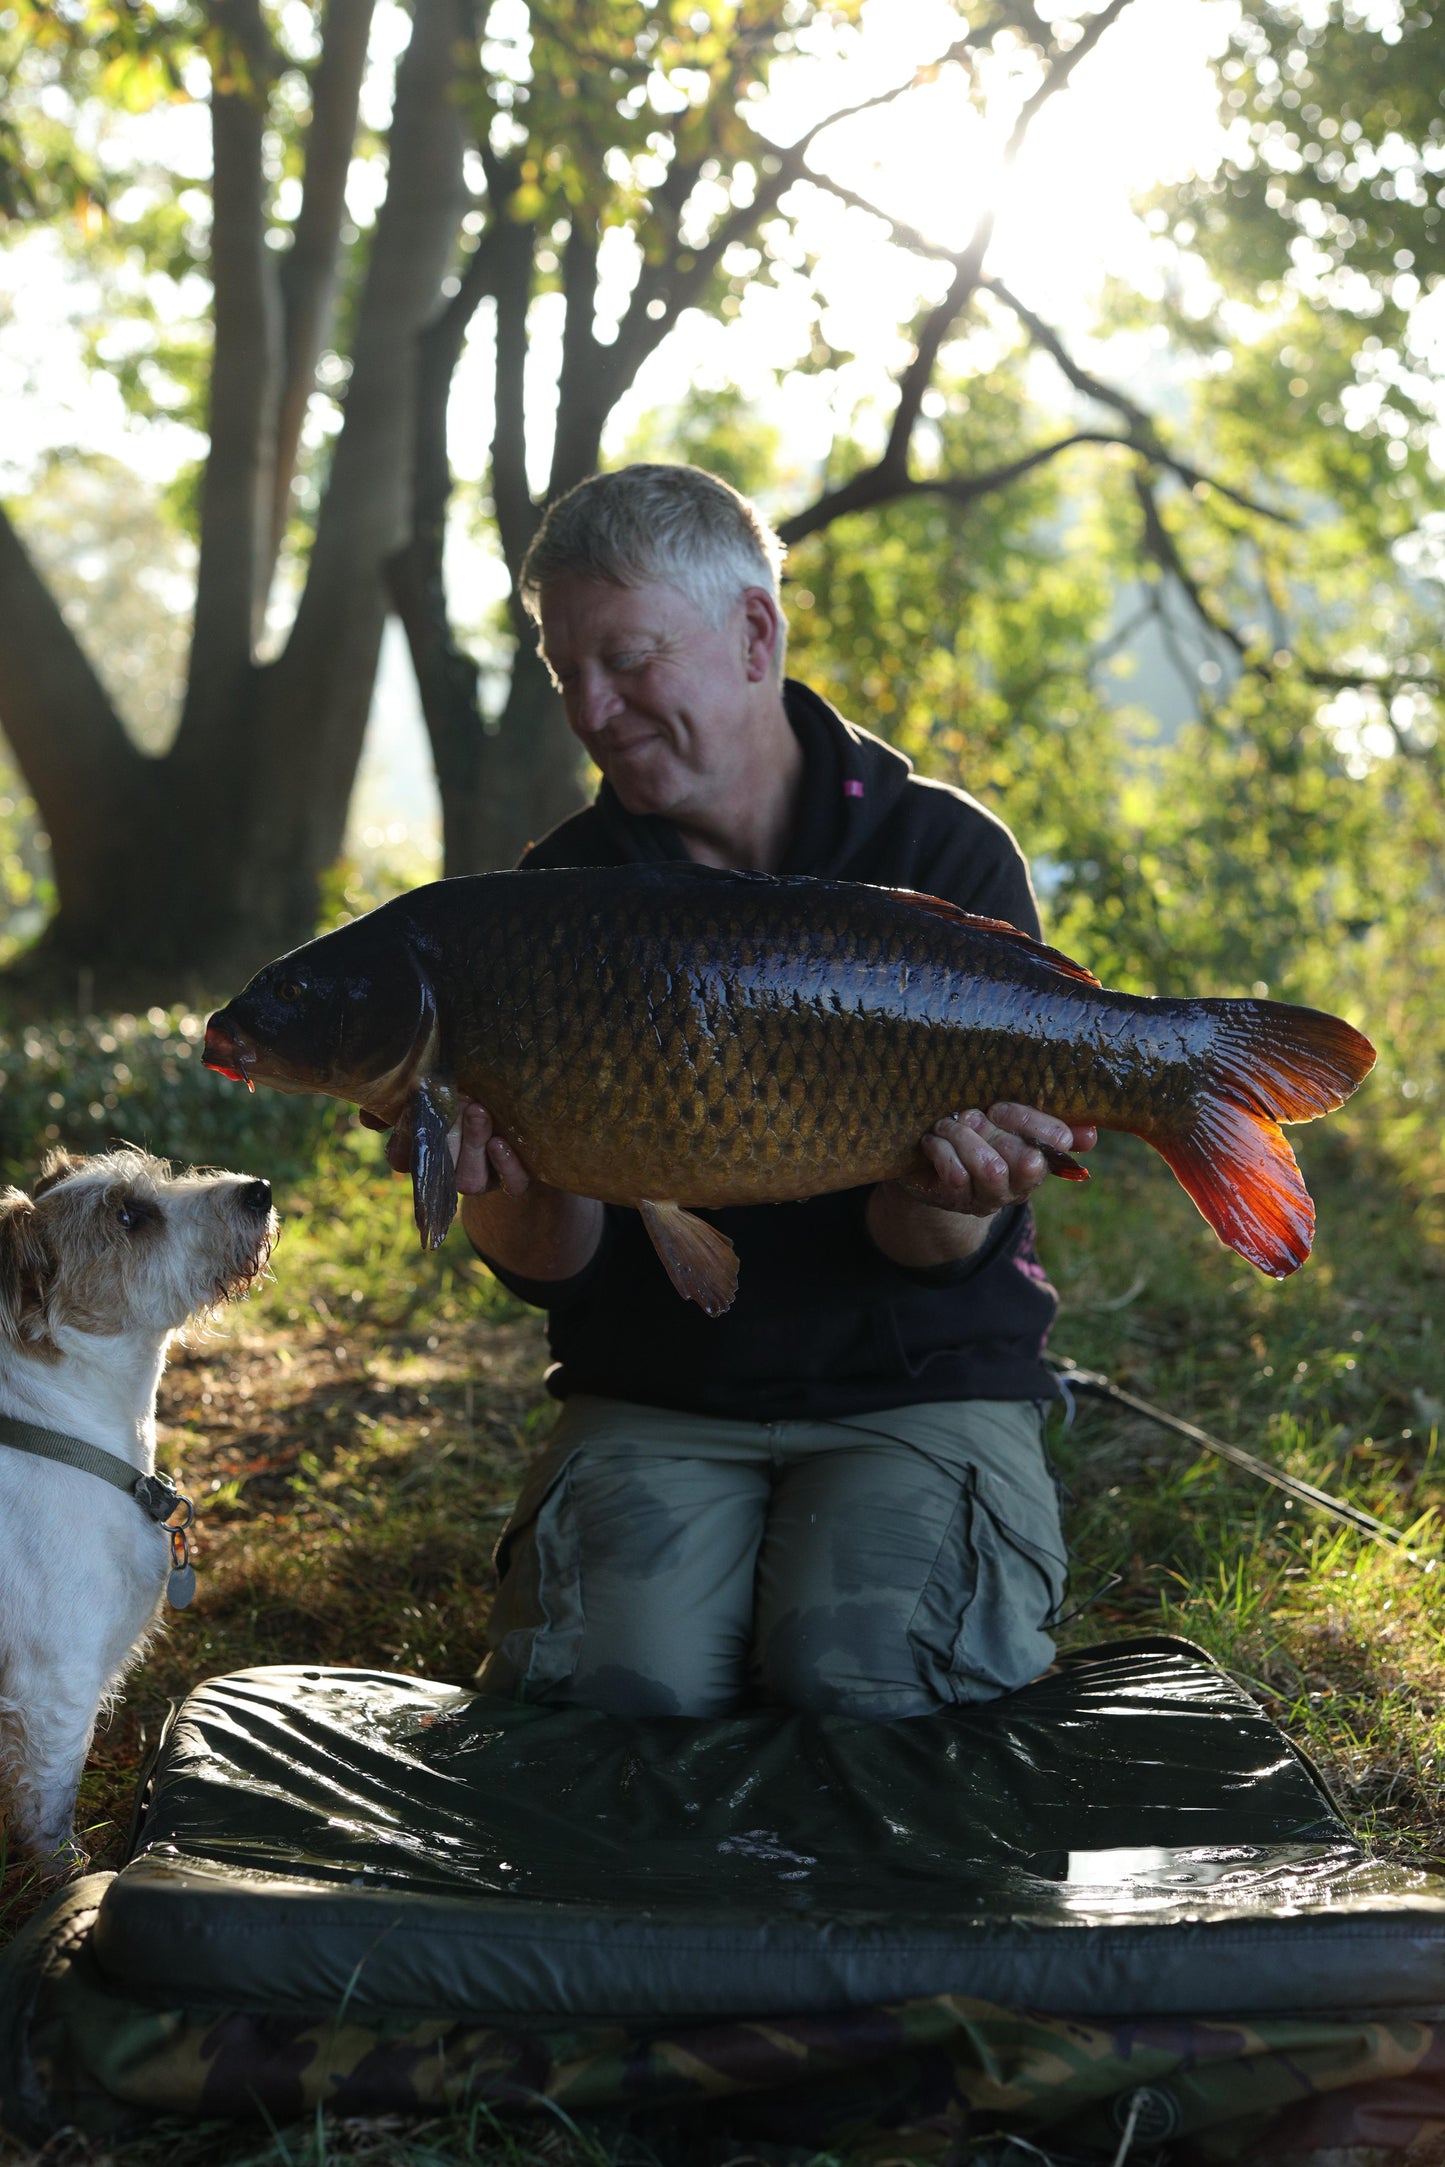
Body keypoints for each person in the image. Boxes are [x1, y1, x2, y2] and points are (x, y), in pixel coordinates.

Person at [450, 463, 1096, 1720]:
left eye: (627, 659)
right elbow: (559, 1268)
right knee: (605, 1700)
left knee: (865, 1685)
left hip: (917, 1381)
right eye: (563, 672)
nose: (591, 706)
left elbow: (932, 1253)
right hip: (657, 1389)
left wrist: (953, 1190)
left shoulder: (943, 855)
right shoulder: (550, 902)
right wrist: (504, 1181)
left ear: (752, 632)